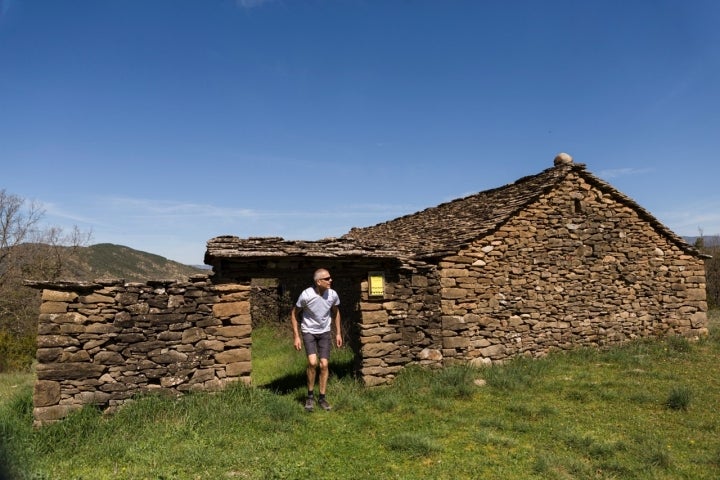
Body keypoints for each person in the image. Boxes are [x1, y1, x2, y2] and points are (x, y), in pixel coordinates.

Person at [291, 268, 343, 411]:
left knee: (324, 365)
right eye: (327, 278)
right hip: (308, 332)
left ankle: (322, 398)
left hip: (325, 332)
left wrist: (338, 333)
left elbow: (336, 312)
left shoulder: (332, 295)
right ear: (318, 281)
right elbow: (294, 314)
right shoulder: (306, 295)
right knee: (312, 363)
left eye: (330, 278)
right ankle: (309, 397)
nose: (330, 280)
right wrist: (296, 336)